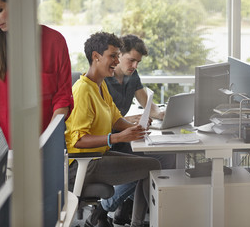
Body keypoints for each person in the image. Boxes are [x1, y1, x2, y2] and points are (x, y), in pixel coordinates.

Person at [65, 31, 161, 227]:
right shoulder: (83, 90)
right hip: (83, 164)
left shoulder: (100, 86)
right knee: (152, 166)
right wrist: (117, 138)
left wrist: (136, 128)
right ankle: (136, 222)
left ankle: (135, 221)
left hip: (97, 155)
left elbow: (115, 118)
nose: (117, 61)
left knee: (151, 164)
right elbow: (78, 141)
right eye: (113, 56)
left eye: (118, 55)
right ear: (96, 56)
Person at [0, 0, 73, 145]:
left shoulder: (54, 42)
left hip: (47, 147)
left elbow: (62, 98)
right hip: (5, 150)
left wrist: (48, 142)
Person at [101, 34, 174, 226]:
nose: (134, 66)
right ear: (118, 56)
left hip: (125, 137)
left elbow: (147, 103)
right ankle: (109, 203)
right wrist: (124, 121)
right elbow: (97, 123)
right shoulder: (103, 80)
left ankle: (132, 218)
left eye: (138, 62)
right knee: (151, 164)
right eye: (131, 60)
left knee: (168, 157)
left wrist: (162, 113)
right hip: (109, 141)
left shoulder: (131, 75)